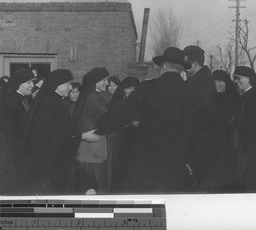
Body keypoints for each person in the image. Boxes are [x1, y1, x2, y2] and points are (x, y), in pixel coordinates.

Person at [94, 47, 194, 193]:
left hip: (147, 164)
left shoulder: (148, 87)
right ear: (182, 69)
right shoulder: (190, 92)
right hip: (176, 164)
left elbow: (123, 113)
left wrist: (100, 127)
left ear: (163, 66)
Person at [25, 69, 97, 195]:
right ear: (57, 84)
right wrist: (83, 136)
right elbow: (55, 135)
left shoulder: (54, 101)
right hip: (50, 164)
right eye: (68, 84)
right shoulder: (51, 104)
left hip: (52, 161)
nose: (70, 88)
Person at [182, 45, 216, 192]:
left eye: (185, 64)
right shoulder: (202, 80)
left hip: (195, 148)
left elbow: (197, 121)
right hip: (199, 145)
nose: (183, 68)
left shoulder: (199, 84)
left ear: (194, 64)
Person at [0, 68, 36, 195]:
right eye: (29, 82)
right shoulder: (10, 102)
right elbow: (9, 132)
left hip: (24, 153)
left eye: (33, 82)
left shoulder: (25, 99)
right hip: (13, 155)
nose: (32, 85)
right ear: (19, 82)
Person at [72, 67, 110, 194]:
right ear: (95, 82)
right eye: (104, 80)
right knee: (95, 186)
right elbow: (107, 118)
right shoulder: (92, 97)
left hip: (88, 150)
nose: (107, 83)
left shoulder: (90, 95)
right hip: (92, 150)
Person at [209, 70, 239, 192]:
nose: (217, 84)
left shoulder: (234, 99)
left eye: (220, 81)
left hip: (229, 144)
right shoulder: (215, 98)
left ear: (227, 83)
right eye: (215, 81)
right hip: (216, 143)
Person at [110, 76, 140, 193]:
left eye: (134, 89)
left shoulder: (138, 100)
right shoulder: (117, 101)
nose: (131, 91)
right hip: (118, 138)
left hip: (134, 138)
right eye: (128, 88)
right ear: (123, 89)